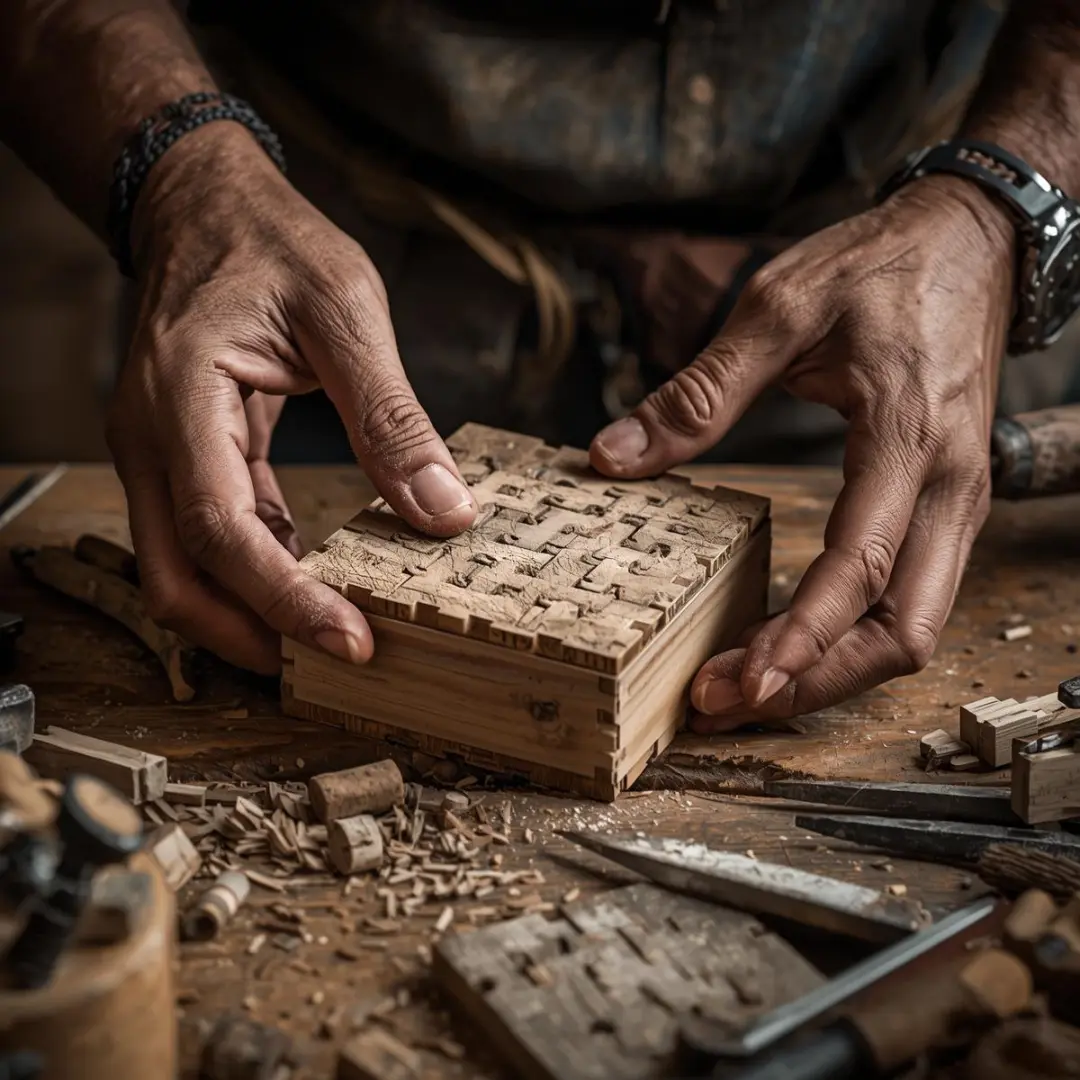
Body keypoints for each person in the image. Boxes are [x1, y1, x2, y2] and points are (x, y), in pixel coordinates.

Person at [2, 0, 1078, 731]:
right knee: (268, 587)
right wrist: (184, 181)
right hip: (317, 280)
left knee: (852, 581)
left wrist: (997, 204)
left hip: (863, 299)